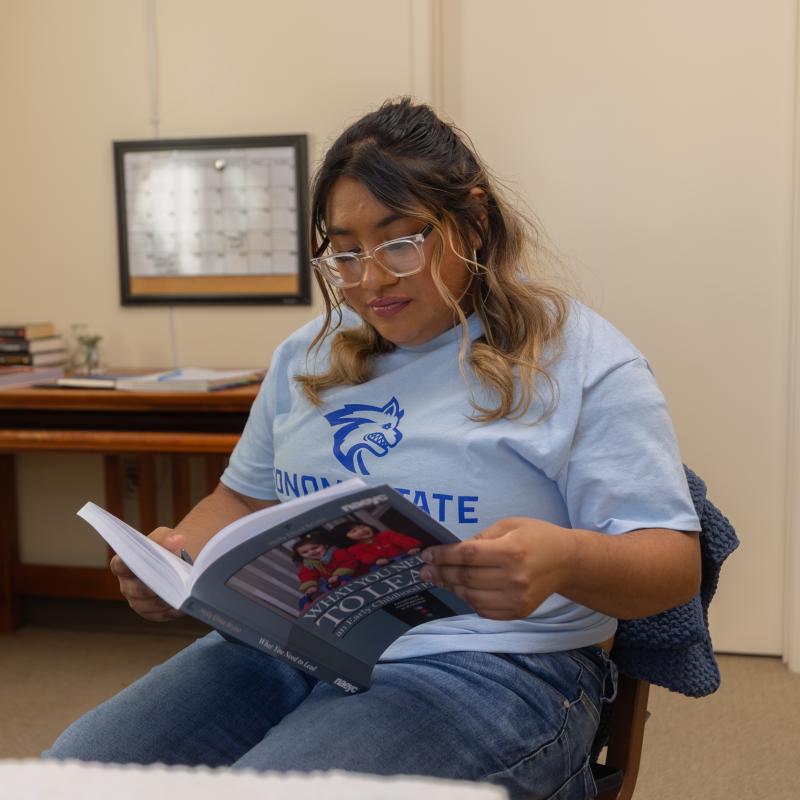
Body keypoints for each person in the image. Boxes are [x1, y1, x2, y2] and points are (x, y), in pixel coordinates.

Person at [44, 98, 701, 800]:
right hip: (286, 648)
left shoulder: (580, 359)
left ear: (472, 221)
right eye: (346, 251)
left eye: (399, 241)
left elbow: (672, 565)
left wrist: (565, 559)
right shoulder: (306, 354)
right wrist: (177, 558)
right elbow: (241, 496)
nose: (370, 279)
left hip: (492, 668)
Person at [332, 521, 422, 570]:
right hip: (387, 570)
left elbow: (404, 540)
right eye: (353, 531)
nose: (361, 530)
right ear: (345, 538)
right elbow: (363, 556)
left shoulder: (386, 535)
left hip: (410, 561)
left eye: (362, 526)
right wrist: (376, 560)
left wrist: (412, 548)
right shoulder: (353, 549)